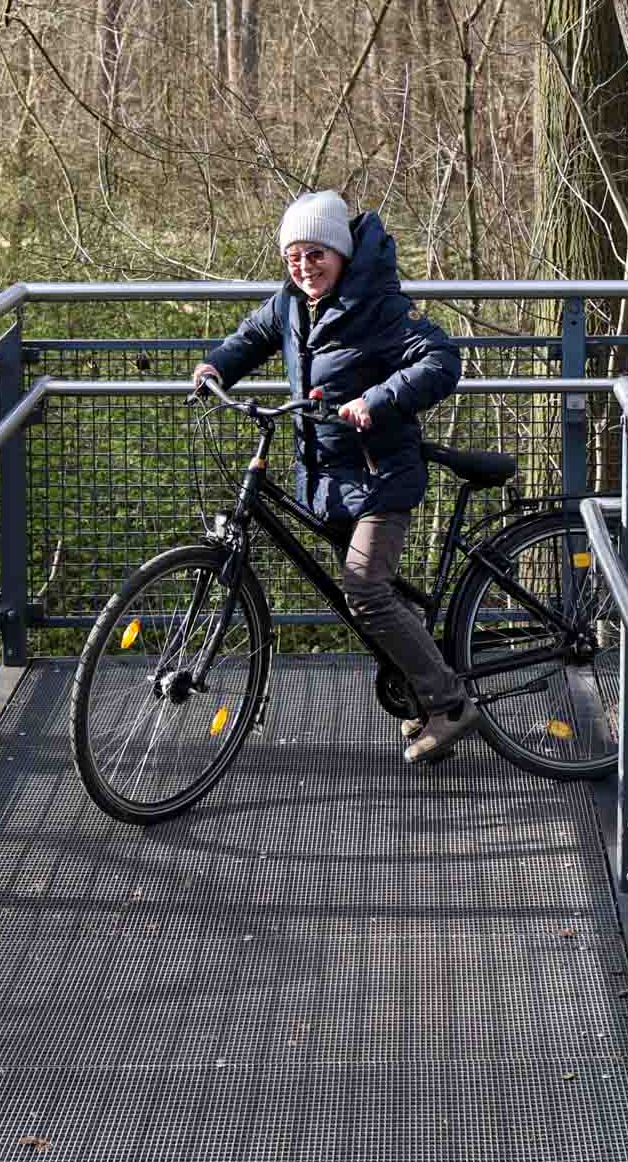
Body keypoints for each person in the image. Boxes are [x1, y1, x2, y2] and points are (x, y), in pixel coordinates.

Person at [190, 191, 477, 765]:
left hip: (380, 476)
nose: (304, 266)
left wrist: (377, 399)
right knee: (370, 594)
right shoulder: (290, 305)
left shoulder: (380, 306)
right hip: (326, 478)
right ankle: (423, 684)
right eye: (294, 256)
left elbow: (441, 361)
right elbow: (251, 339)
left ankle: (449, 704)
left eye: (316, 253)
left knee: (366, 590)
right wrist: (216, 365)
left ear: (342, 253)